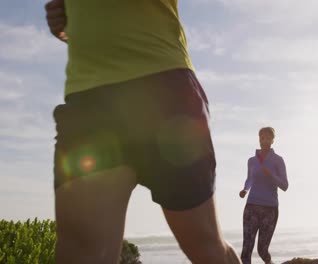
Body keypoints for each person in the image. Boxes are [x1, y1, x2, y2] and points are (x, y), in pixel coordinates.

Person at [45, 0, 241, 263]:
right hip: (90, 99)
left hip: (164, 90)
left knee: (205, 246)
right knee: (82, 252)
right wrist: (71, 24)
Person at [239, 127, 289, 264]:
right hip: (252, 206)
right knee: (246, 251)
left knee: (262, 250)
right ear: (259, 139)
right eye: (262, 138)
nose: (264, 140)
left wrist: (271, 175)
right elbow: (250, 179)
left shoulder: (278, 160)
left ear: (273, 140)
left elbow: (285, 185)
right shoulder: (251, 161)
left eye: (268, 138)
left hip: (270, 209)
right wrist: (245, 189)